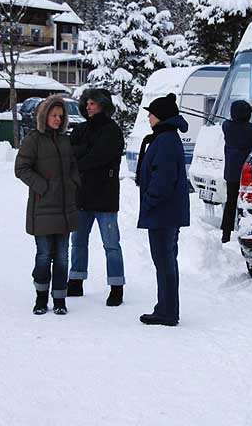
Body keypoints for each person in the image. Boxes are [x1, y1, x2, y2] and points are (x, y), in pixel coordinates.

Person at [15, 95, 81, 315]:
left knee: (62, 256)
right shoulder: (33, 140)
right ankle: (41, 297)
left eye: (60, 116)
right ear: (45, 116)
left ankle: (60, 299)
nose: (57, 119)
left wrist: (73, 183)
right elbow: (21, 168)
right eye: (53, 115)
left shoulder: (65, 140)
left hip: (65, 209)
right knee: (44, 256)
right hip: (42, 209)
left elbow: (73, 167)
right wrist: (42, 186)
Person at [67, 88, 126, 306]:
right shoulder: (80, 129)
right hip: (81, 195)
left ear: (103, 105)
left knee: (111, 244)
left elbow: (100, 156)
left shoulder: (112, 130)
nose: (89, 106)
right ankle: (76, 280)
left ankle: (116, 286)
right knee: (78, 242)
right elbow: (70, 152)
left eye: (93, 103)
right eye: (87, 103)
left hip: (105, 196)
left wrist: (83, 155)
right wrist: (86, 151)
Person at [135, 93, 190, 327]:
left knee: (164, 261)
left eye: (152, 113)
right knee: (166, 261)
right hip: (166, 212)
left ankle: (167, 311)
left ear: (162, 116)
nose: (148, 116)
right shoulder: (165, 137)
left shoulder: (166, 139)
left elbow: (164, 178)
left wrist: (149, 201)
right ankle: (165, 308)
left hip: (163, 213)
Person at [220, 100, 252, 243]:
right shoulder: (251, 130)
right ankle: (245, 229)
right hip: (247, 175)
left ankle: (226, 234)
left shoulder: (226, 127)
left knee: (231, 202)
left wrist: (248, 111)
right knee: (247, 203)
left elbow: (230, 121)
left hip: (231, 174)